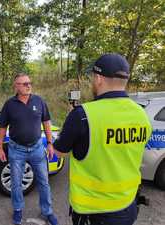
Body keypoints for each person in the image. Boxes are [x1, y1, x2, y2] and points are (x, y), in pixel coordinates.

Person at [53, 53, 152, 225]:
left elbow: (59, 152)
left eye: (93, 77)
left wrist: (70, 121)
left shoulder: (82, 115)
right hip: (128, 206)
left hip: (93, 212)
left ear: (98, 78)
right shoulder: (142, 114)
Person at [0, 73, 59, 225]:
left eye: (29, 83)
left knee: (44, 182)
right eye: (24, 84)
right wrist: (0, 148)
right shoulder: (9, 104)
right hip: (16, 150)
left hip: (37, 148)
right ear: (16, 86)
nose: (28, 85)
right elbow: (2, 128)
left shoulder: (39, 101)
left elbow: (46, 123)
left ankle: (47, 211)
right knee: (16, 183)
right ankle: (18, 209)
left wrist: (50, 143)